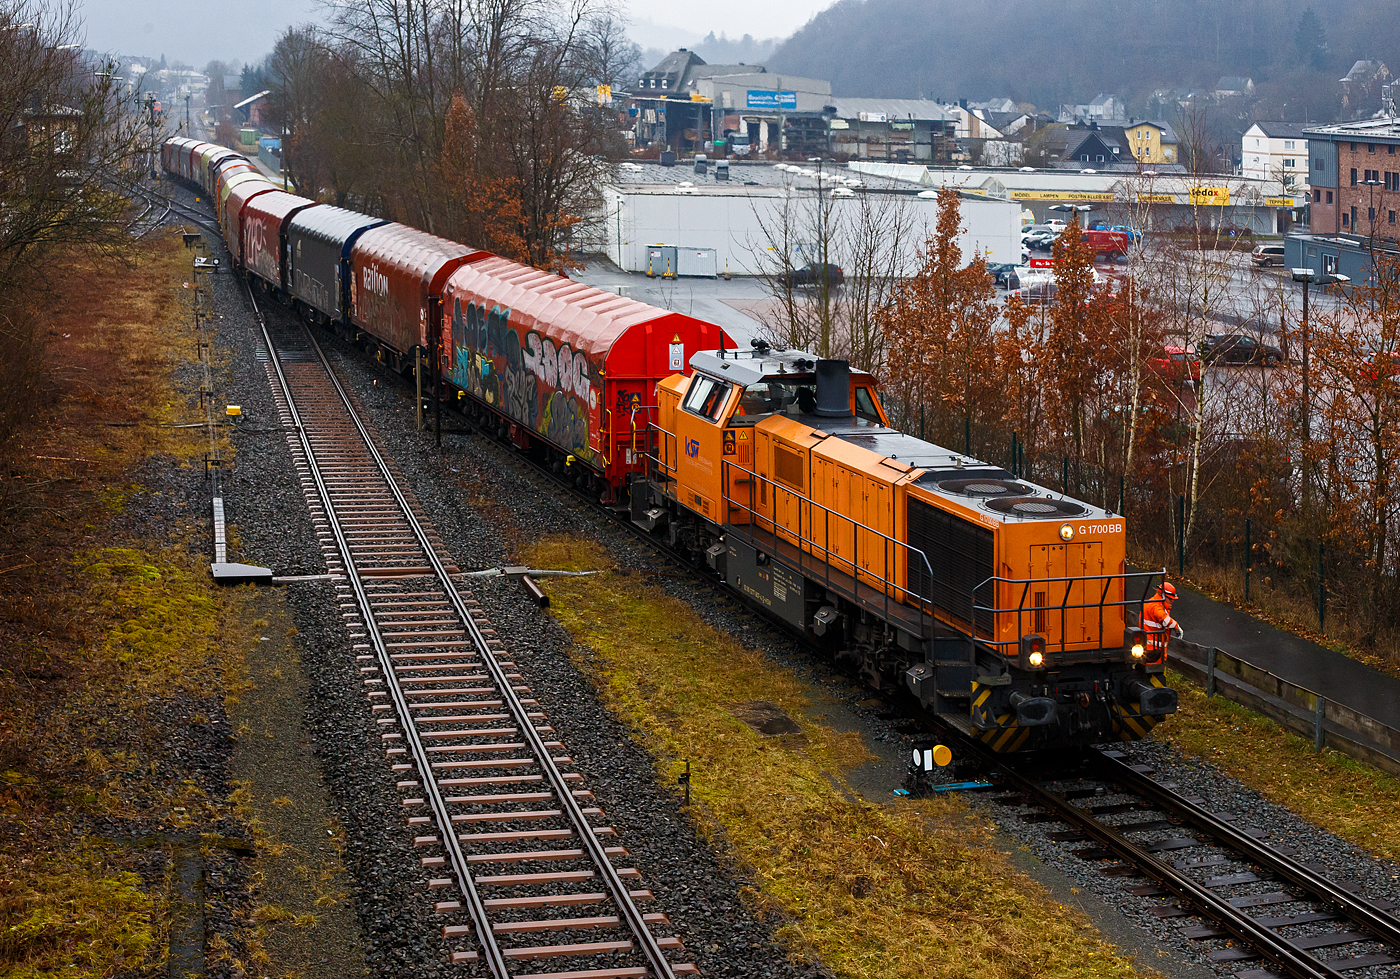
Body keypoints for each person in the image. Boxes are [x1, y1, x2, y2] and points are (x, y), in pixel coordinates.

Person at [1141, 581, 1182, 666]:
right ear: (1162, 596)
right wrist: (1176, 626)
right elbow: (1166, 620)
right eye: (1170, 598)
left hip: (1149, 648)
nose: (1172, 601)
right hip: (1154, 651)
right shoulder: (1156, 607)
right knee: (1154, 671)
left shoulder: (1151, 603)